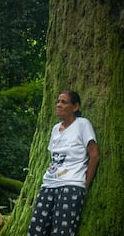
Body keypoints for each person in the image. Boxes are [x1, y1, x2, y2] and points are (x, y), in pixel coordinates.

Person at [27, 90, 100, 236]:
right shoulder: (55, 129)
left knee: (62, 232)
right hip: (48, 184)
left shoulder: (82, 124)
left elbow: (95, 155)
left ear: (75, 107)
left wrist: (85, 185)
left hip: (71, 186)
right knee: (35, 230)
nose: (59, 105)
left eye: (64, 102)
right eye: (58, 101)